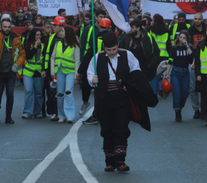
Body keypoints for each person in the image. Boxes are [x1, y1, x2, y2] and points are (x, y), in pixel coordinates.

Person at [87, 31, 150, 172]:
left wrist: (131, 85)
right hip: (104, 98)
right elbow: (90, 73)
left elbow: (136, 72)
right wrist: (92, 79)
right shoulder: (97, 58)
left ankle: (120, 160)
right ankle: (109, 161)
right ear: (104, 48)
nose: (111, 52)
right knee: (107, 129)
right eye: (108, 50)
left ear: (118, 45)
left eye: (114, 49)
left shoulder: (128, 56)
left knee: (121, 127)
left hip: (122, 97)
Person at [0, 17, 25, 124]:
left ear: (11, 27)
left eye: (9, 27)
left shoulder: (16, 39)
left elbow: (22, 54)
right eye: (5, 27)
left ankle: (8, 117)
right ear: (1, 27)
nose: (7, 29)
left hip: (11, 71)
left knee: (10, 94)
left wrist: (17, 64)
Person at [50, 25, 81, 124]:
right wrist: (52, 72)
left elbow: (77, 61)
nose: (60, 32)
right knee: (59, 93)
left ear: (68, 33)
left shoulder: (75, 46)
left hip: (70, 72)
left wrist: (77, 75)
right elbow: (52, 57)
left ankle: (70, 115)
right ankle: (61, 115)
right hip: (59, 71)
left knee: (68, 92)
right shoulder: (58, 43)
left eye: (62, 31)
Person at [165, 30, 193, 122]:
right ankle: (177, 112)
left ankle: (180, 107)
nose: (182, 39)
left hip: (185, 72)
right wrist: (167, 73)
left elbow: (191, 57)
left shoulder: (189, 48)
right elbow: (170, 61)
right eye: (180, 37)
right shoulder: (174, 48)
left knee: (184, 93)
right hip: (176, 72)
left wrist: (187, 45)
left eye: (184, 38)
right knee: (177, 93)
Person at [21, 28, 46, 119]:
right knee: (29, 91)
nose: (39, 36)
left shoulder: (43, 45)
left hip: (39, 72)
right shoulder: (28, 44)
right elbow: (28, 56)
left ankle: (37, 112)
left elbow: (45, 59)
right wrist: (35, 46)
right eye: (37, 35)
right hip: (28, 71)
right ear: (33, 36)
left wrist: (44, 69)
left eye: (40, 35)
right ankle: (27, 112)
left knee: (39, 93)